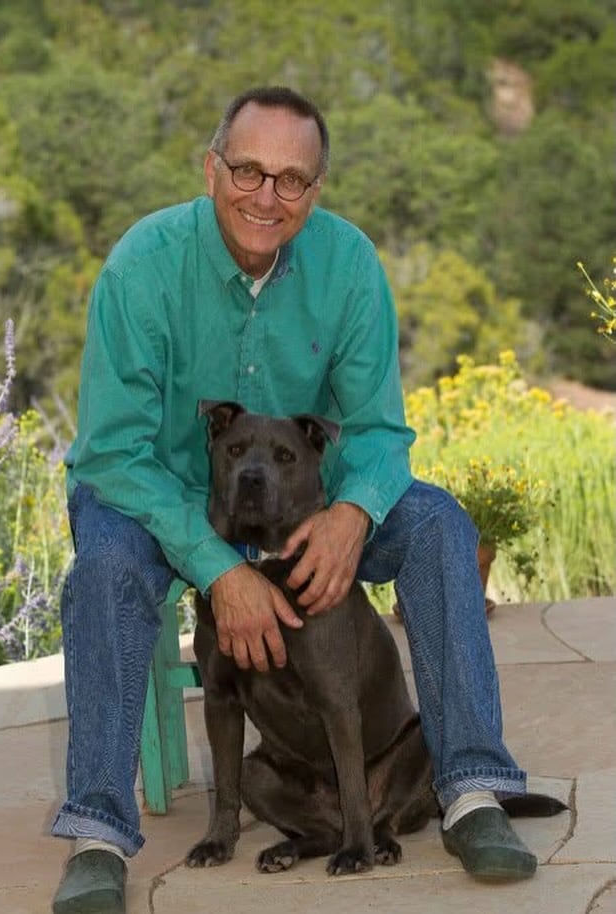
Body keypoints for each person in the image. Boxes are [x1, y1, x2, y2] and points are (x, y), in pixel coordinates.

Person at [51, 86, 536, 913]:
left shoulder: (347, 264)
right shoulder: (144, 264)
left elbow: (377, 430)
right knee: (102, 571)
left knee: (436, 525)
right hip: (153, 495)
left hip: (305, 500)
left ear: (315, 190)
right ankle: (96, 835)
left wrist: (352, 513)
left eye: (291, 180)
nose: (266, 197)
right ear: (211, 169)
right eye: (247, 170)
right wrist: (219, 568)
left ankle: (469, 791)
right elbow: (112, 453)